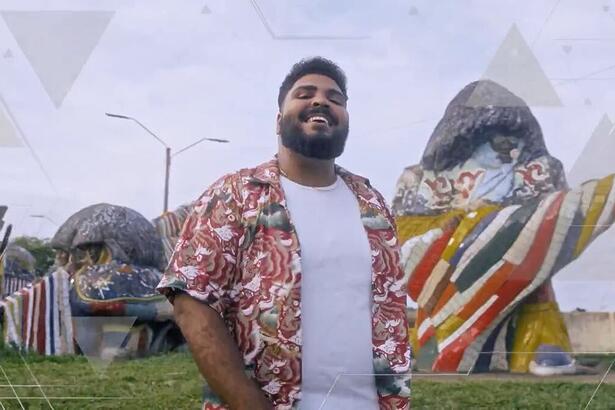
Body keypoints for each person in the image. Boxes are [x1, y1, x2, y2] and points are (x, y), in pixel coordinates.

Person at [157, 57, 411, 410]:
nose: (321, 101)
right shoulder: (235, 194)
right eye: (304, 94)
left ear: (346, 121)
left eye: (335, 99)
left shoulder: (374, 206)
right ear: (279, 121)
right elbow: (191, 302)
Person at [392, 79, 615, 375]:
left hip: (522, 286)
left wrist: (495, 222)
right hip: (445, 278)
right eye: (494, 138)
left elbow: (545, 228)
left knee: (532, 272)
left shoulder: (541, 171)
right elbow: (402, 237)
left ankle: (537, 347)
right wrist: (463, 223)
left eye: (513, 136)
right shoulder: (420, 178)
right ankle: (437, 349)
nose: (507, 146)